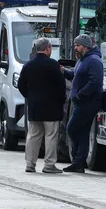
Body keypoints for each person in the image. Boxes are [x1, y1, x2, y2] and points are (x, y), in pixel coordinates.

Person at [18, 37, 66, 174]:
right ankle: (49, 165)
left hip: (34, 107)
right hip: (52, 107)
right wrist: (60, 100)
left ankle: (30, 164)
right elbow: (61, 86)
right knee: (51, 136)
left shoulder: (28, 65)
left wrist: (30, 96)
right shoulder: (54, 65)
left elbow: (21, 85)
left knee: (33, 135)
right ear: (48, 48)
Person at [61, 34, 103, 173]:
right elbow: (75, 75)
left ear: (86, 46)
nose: (75, 48)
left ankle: (78, 159)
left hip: (88, 103)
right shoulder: (82, 60)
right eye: (74, 45)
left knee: (72, 128)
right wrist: (64, 71)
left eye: (77, 45)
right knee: (83, 131)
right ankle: (79, 161)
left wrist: (80, 95)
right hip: (81, 102)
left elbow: (95, 82)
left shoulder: (94, 61)